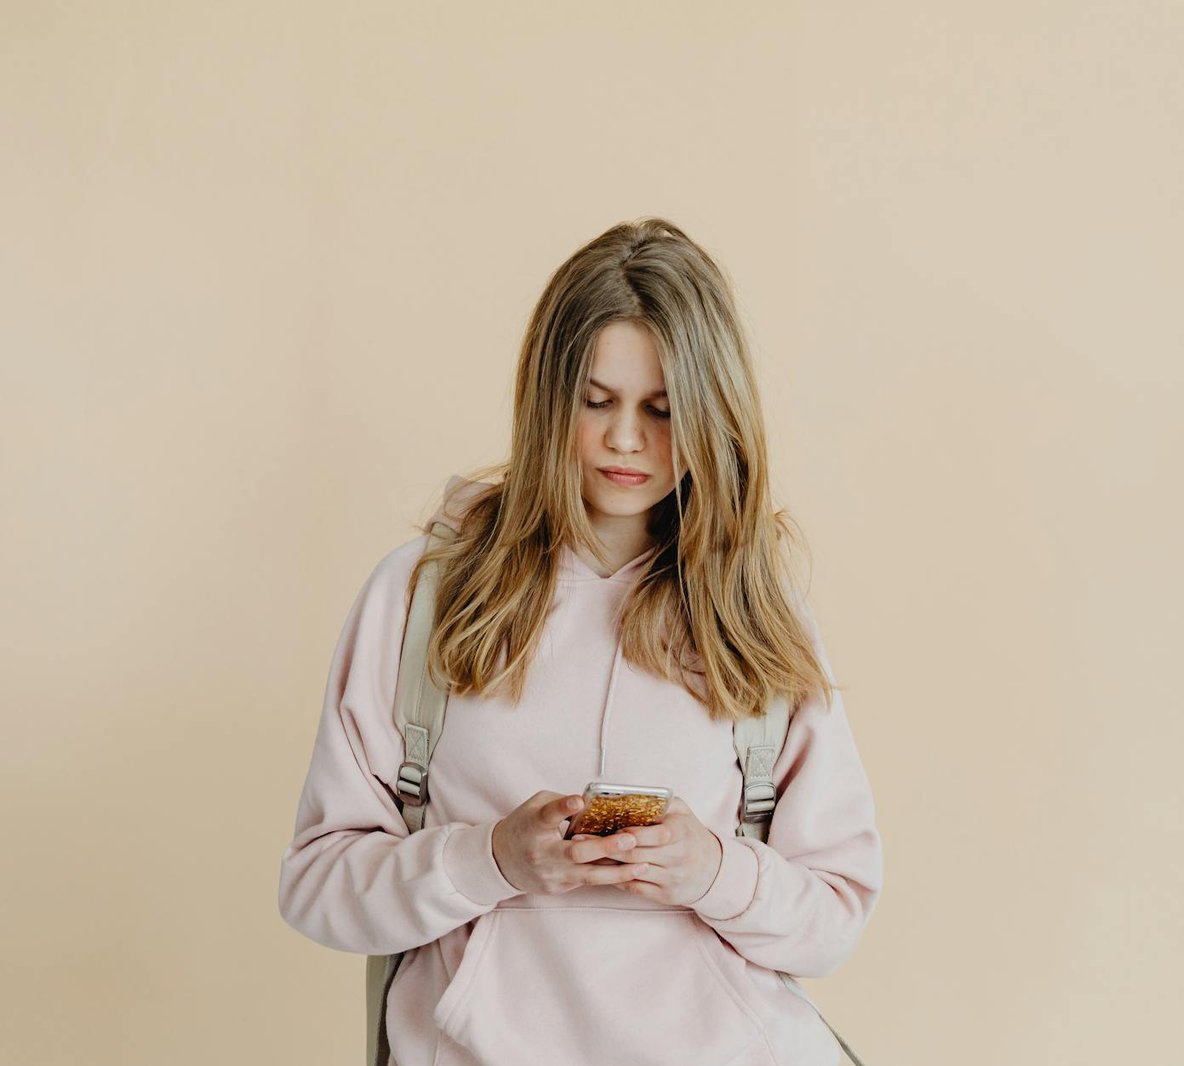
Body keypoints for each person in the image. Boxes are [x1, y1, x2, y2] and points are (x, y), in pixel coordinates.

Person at [277, 217, 884, 1066]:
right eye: (596, 401)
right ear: (545, 398)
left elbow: (834, 918)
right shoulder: (424, 594)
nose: (626, 439)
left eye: (663, 410)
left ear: (713, 413)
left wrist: (712, 870)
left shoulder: (757, 610)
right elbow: (317, 886)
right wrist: (490, 859)